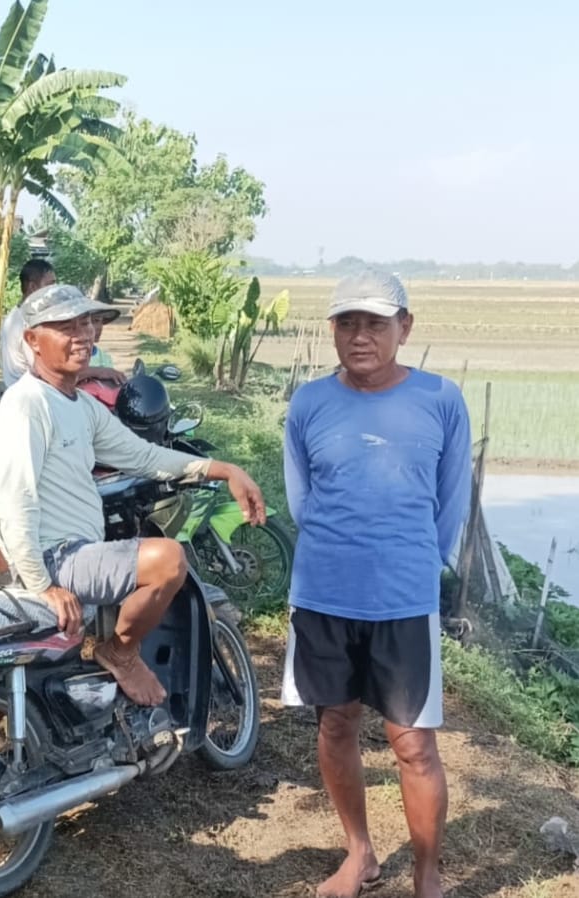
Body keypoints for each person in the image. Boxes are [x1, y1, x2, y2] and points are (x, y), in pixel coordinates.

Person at [281, 270, 472, 898]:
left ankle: (427, 875)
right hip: (323, 592)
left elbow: (450, 505)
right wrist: (343, 552)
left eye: (375, 323)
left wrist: (412, 563)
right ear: (332, 329)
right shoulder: (309, 402)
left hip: (402, 599)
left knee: (413, 744)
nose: (360, 336)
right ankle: (359, 854)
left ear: (404, 328)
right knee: (336, 725)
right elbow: (303, 500)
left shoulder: (441, 399)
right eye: (347, 323)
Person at [0, 284, 266, 705]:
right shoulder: (27, 404)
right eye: (66, 326)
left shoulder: (80, 405)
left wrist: (223, 469)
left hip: (75, 554)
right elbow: (15, 502)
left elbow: (142, 455)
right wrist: (42, 585)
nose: (83, 335)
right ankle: (121, 652)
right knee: (168, 559)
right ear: (32, 340)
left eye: (87, 323)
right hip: (55, 557)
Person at [0, 259, 124, 389]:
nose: (82, 336)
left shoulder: (14, 317)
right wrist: (99, 371)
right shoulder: (28, 322)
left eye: (85, 324)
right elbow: (48, 371)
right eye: (50, 285)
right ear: (33, 287)